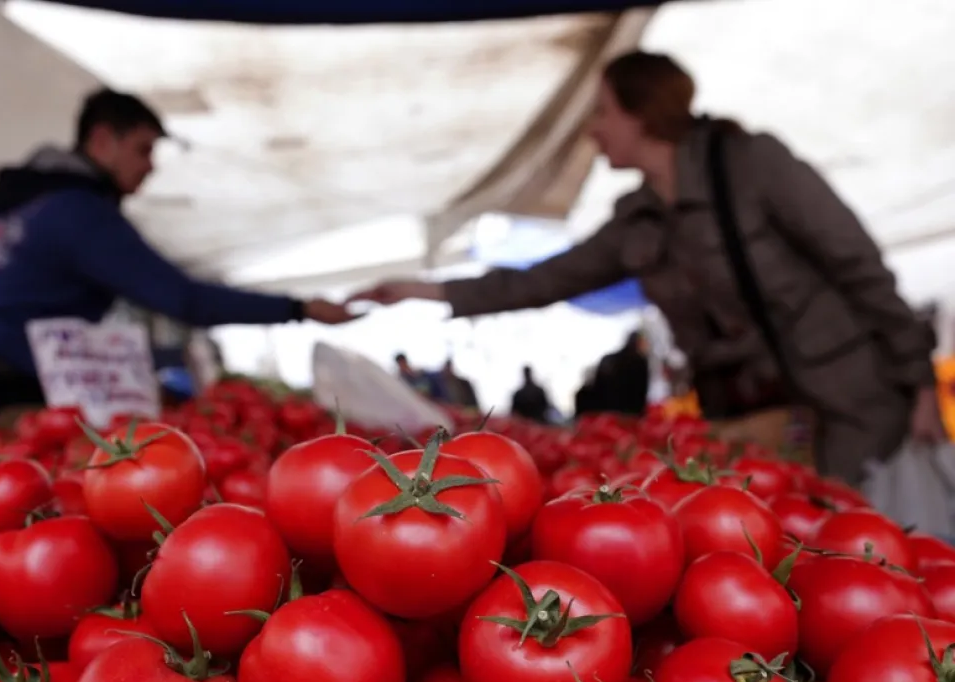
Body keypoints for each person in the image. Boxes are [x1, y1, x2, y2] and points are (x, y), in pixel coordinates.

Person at [352, 51, 942, 485]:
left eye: (604, 112)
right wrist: (422, 291)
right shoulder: (637, 218)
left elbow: (859, 266)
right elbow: (544, 280)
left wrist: (916, 381)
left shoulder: (751, 165)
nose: (593, 129)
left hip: (848, 403)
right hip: (755, 418)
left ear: (644, 114)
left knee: (868, 539)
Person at [0, 88, 355, 435]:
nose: (150, 167)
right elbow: (182, 298)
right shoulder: (80, 212)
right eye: (144, 150)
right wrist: (298, 309)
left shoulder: (32, 194)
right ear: (103, 140)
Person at [592, 330, 651, 417]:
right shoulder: (640, 362)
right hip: (629, 416)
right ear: (639, 343)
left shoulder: (609, 359)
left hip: (604, 413)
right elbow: (641, 392)